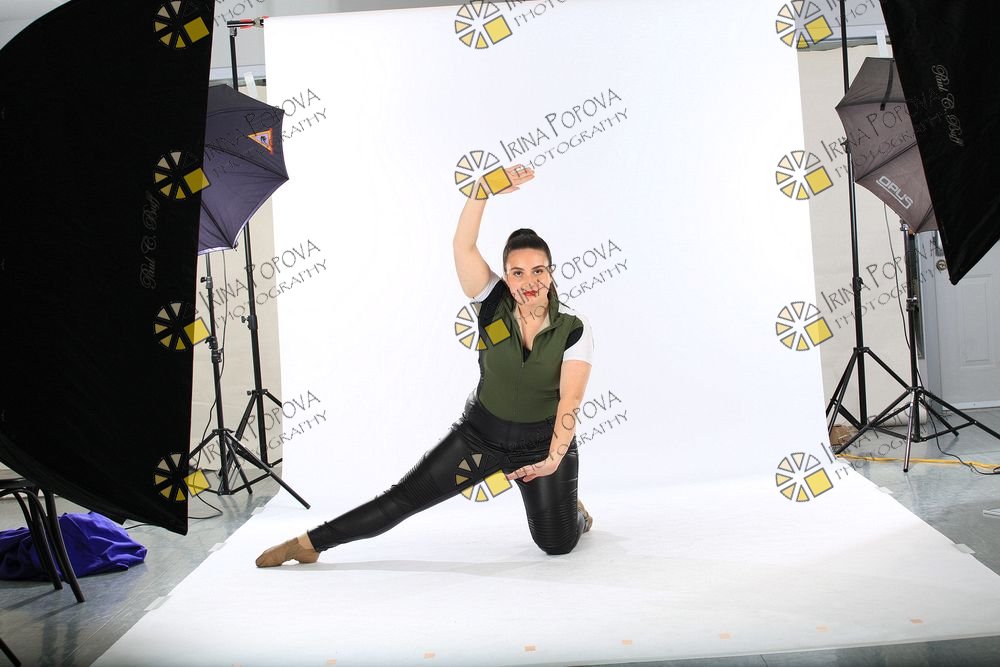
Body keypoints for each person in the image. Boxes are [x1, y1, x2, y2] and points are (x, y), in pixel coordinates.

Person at [255, 163, 595, 567]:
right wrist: (481, 191)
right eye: (518, 273)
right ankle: (308, 544)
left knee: (556, 544)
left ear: (551, 273)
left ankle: (573, 512)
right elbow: (462, 246)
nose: (529, 282)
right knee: (402, 499)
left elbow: (569, 402)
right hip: (480, 437)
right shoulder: (492, 301)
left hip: (542, 443)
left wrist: (554, 459)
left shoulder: (574, 327)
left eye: (538, 271)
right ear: (506, 277)